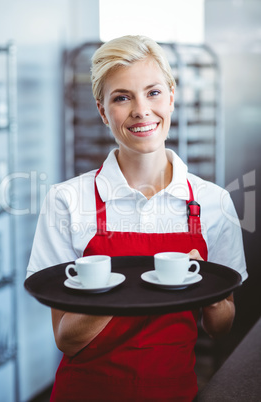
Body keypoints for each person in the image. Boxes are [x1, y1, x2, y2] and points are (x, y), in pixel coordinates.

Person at [27, 35, 247, 401]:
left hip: (174, 392)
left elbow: (221, 327)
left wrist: (205, 286)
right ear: (102, 111)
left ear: (172, 97)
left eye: (154, 92)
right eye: (122, 97)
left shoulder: (213, 202)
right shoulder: (66, 200)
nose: (142, 110)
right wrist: (136, 279)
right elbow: (66, 339)